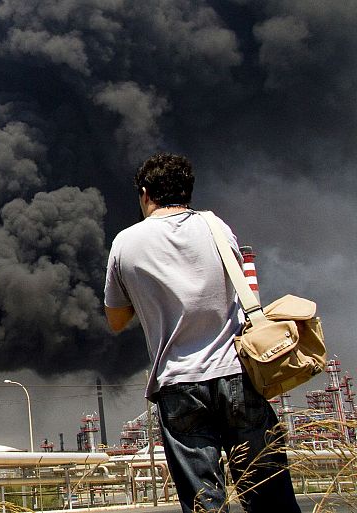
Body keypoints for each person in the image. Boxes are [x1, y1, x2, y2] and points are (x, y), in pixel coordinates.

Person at [103, 153, 300, 513]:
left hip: (178, 386)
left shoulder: (125, 244)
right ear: (187, 192)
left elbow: (115, 320)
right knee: (269, 492)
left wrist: (149, 293)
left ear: (146, 194)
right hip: (237, 374)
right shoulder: (217, 227)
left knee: (204, 503)